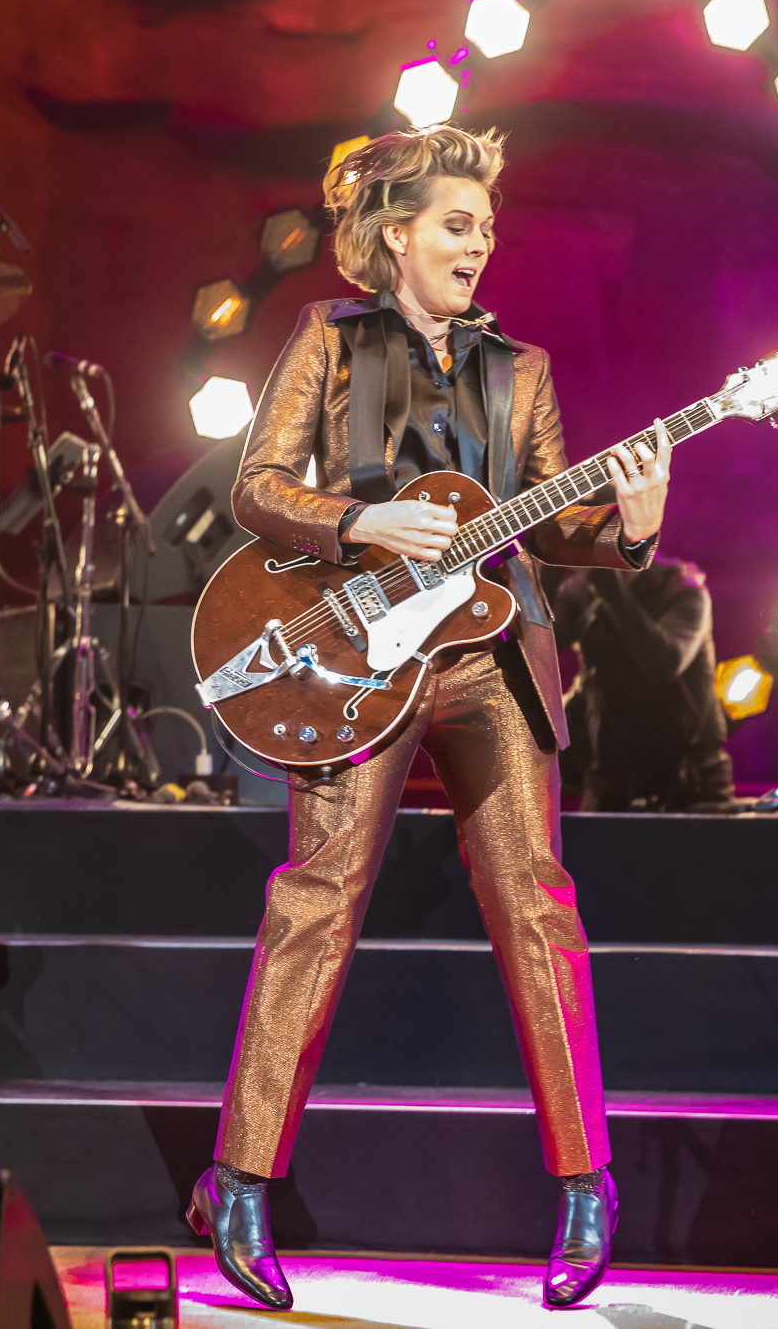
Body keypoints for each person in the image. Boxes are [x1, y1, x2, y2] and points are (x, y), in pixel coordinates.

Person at [187, 125, 671, 1312]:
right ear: (395, 233)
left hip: (492, 660)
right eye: (458, 224)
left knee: (535, 902)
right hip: (355, 652)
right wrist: (358, 527)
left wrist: (632, 526)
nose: (479, 243)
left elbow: (552, 528)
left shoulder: (525, 370)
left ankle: (583, 1186)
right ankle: (237, 1181)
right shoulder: (326, 339)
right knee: (318, 896)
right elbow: (255, 486)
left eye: (487, 227)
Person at [549, 557, 735, 811]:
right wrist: (545, 570)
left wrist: (606, 581)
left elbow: (665, 663)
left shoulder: (684, 590)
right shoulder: (584, 594)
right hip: (612, 781)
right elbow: (537, 649)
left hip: (690, 783)